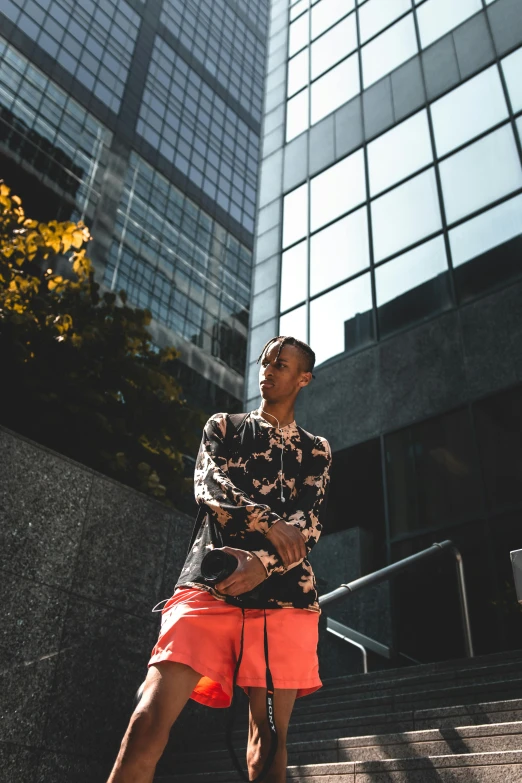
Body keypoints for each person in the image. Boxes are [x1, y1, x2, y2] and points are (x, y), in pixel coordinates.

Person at [106, 335, 332, 783]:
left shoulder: (317, 449)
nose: (267, 371)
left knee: (267, 743)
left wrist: (261, 565)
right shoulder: (224, 426)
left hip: (285, 599)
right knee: (145, 721)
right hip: (207, 588)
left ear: (303, 378)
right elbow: (208, 486)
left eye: (281, 365)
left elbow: (309, 524)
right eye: (265, 362)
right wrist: (268, 522)